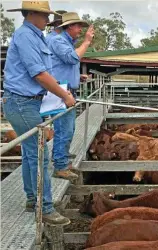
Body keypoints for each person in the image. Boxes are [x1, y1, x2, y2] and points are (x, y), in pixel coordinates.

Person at [3, 1, 75, 225]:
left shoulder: (36, 36)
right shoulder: (26, 36)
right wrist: (64, 96)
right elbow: (39, 74)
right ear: (32, 14)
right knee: (40, 154)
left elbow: (44, 74)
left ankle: (32, 198)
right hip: (22, 101)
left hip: (28, 102)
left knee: (30, 152)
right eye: (44, 15)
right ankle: (44, 208)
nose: (48, 20)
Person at [47, 12, 94, 181]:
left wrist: (76, 77)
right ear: (70, 26)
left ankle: (61, 159)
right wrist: (87, 41)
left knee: (66, 128)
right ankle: (60, 165)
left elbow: (64, 64)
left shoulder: (63, 41)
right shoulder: (58, 41)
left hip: (65, 88)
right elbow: (72, 58)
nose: (80, 29)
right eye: (78, 26)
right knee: (64, 128)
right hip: (62, 91)